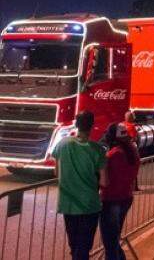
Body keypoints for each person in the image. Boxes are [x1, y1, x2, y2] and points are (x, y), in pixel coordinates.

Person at [52, 111, 107, 260]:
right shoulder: (97, 149)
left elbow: (57, 173)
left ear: (76, 125)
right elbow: (104, 181)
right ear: (92, 126)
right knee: (83, 247)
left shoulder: (62, 144)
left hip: (68, 204)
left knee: (74, 246)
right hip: (89, 205)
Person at [99, 123, 140, 260]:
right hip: (125, 198)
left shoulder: (113, 155)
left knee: (110, 243)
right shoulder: (133, 152)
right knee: (114, 240)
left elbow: (104, 180)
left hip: (111, 200)